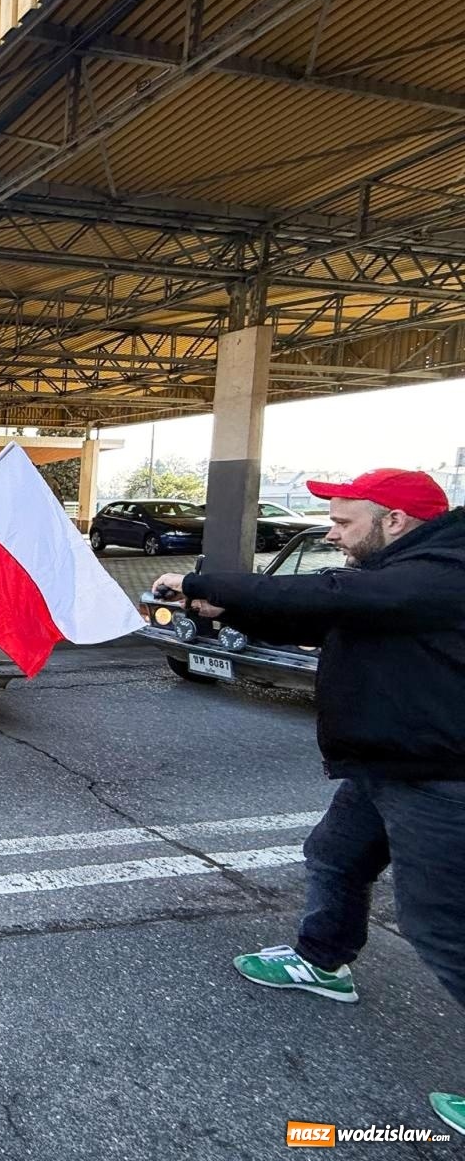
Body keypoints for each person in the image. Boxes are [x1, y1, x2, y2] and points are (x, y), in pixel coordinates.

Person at [153, 469, 465, 1137]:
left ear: (397, 521)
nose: (331, 533)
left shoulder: (444, 570)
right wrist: (227, 609)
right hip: (388, 760)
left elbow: (332, 597)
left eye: (345, 522)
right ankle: (323, 962)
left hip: (439, 774)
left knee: (442, 926)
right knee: (334, 856)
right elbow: (330, 614)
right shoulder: (406, 574)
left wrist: (203, 583)